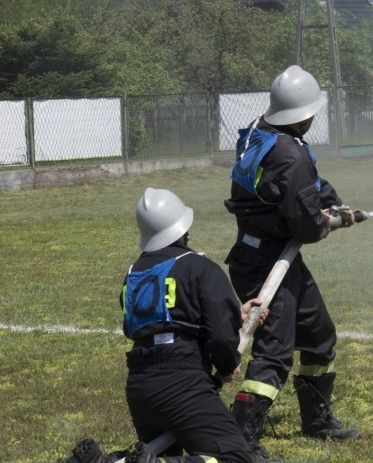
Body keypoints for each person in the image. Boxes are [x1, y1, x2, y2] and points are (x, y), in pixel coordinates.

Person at [65, 187, 269, 463]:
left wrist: (237, 317)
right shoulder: (200, 268)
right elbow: (221, 338)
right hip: (182, 383)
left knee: (155, 453)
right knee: (237, 458)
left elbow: (155, 323)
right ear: (184, 229)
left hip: (140, 384)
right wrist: (225, 364)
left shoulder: (133, 273)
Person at [224, 65, 362, 460]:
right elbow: (305, 224)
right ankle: (243, 443)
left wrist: (331, 203)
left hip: (268, 254)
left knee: (318, 333)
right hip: (268, 261)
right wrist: (330, 221)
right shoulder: (288, 152)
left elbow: (302, 187)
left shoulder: (262, 131)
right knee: (274, 353)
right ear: (303, 114)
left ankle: (317, 421)